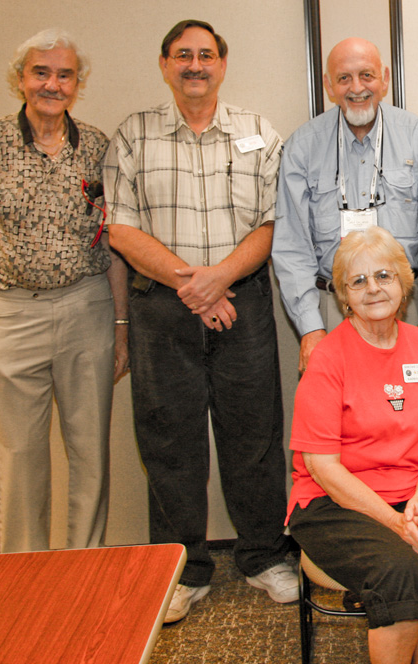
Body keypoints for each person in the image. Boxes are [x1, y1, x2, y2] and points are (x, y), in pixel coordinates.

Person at [104, 19, 295, 623]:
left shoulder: (258, 132)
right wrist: (193, 284)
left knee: (254, 435)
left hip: (244, 303)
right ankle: (181, 568)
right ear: (164, 64)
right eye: (182, 55)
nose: (194, 64)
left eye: (205, 55)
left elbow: (271, 223)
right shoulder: (133, 135)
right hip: (163, 308)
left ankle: (264, 555)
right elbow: (121, 227)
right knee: (169, 442)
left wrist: (219, 280)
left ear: (222, 62)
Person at [0, 28, 128, 553]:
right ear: (20, 79)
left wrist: (121, 327)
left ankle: (85, 569)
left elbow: (115, 242)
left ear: (77, 84)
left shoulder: (96, 146)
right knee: (20, 457)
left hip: (88, 308)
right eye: (41, 72)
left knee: (90, 454)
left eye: (64, 75)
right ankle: (23, 578)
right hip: (12, 314)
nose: (52, 84)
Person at [288, 226, 418, 664]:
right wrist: (395, 524)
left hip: (416, 490)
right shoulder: (328, 359)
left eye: (384, 276)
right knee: (399, 567)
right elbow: (323, 467)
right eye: (359, 281)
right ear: (344, 296)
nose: (373, 289)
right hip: (336, 500)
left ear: (404, 284)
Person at [274, 37, 418, 373]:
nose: (357, 88)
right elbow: (291, 245)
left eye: (366, 75)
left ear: (384, 78)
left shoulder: (416, 136)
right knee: (341, 419)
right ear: (329, 85)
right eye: (344, 78)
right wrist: (311, 327)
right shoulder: (302, 147)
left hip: (407, 307)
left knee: (412, 415)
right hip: (331, 307)